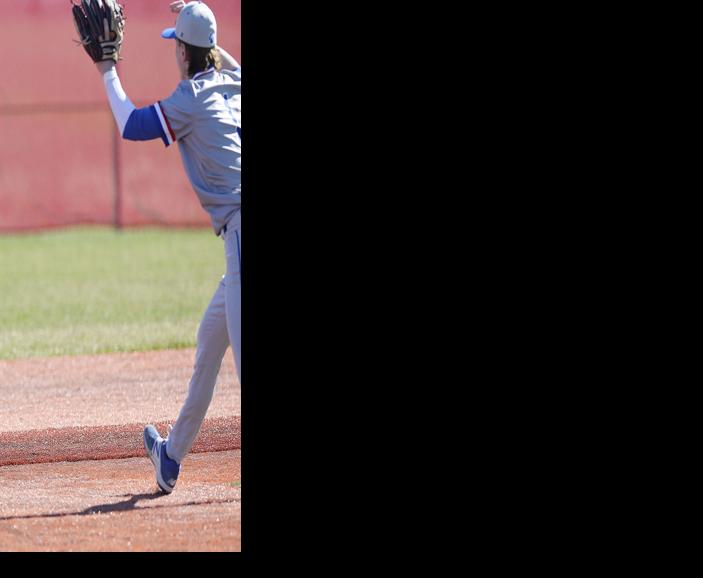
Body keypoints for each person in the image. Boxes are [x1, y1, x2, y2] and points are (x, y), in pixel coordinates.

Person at [94, 0, 241, 493]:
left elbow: (130, 124)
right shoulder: (232, 82)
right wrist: (200, 30)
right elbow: (221, 56)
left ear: (181, 51)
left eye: (175, 44)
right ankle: (171, 458)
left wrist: (106, 68)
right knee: (210, 339)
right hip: (237, 242)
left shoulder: (191, 97)